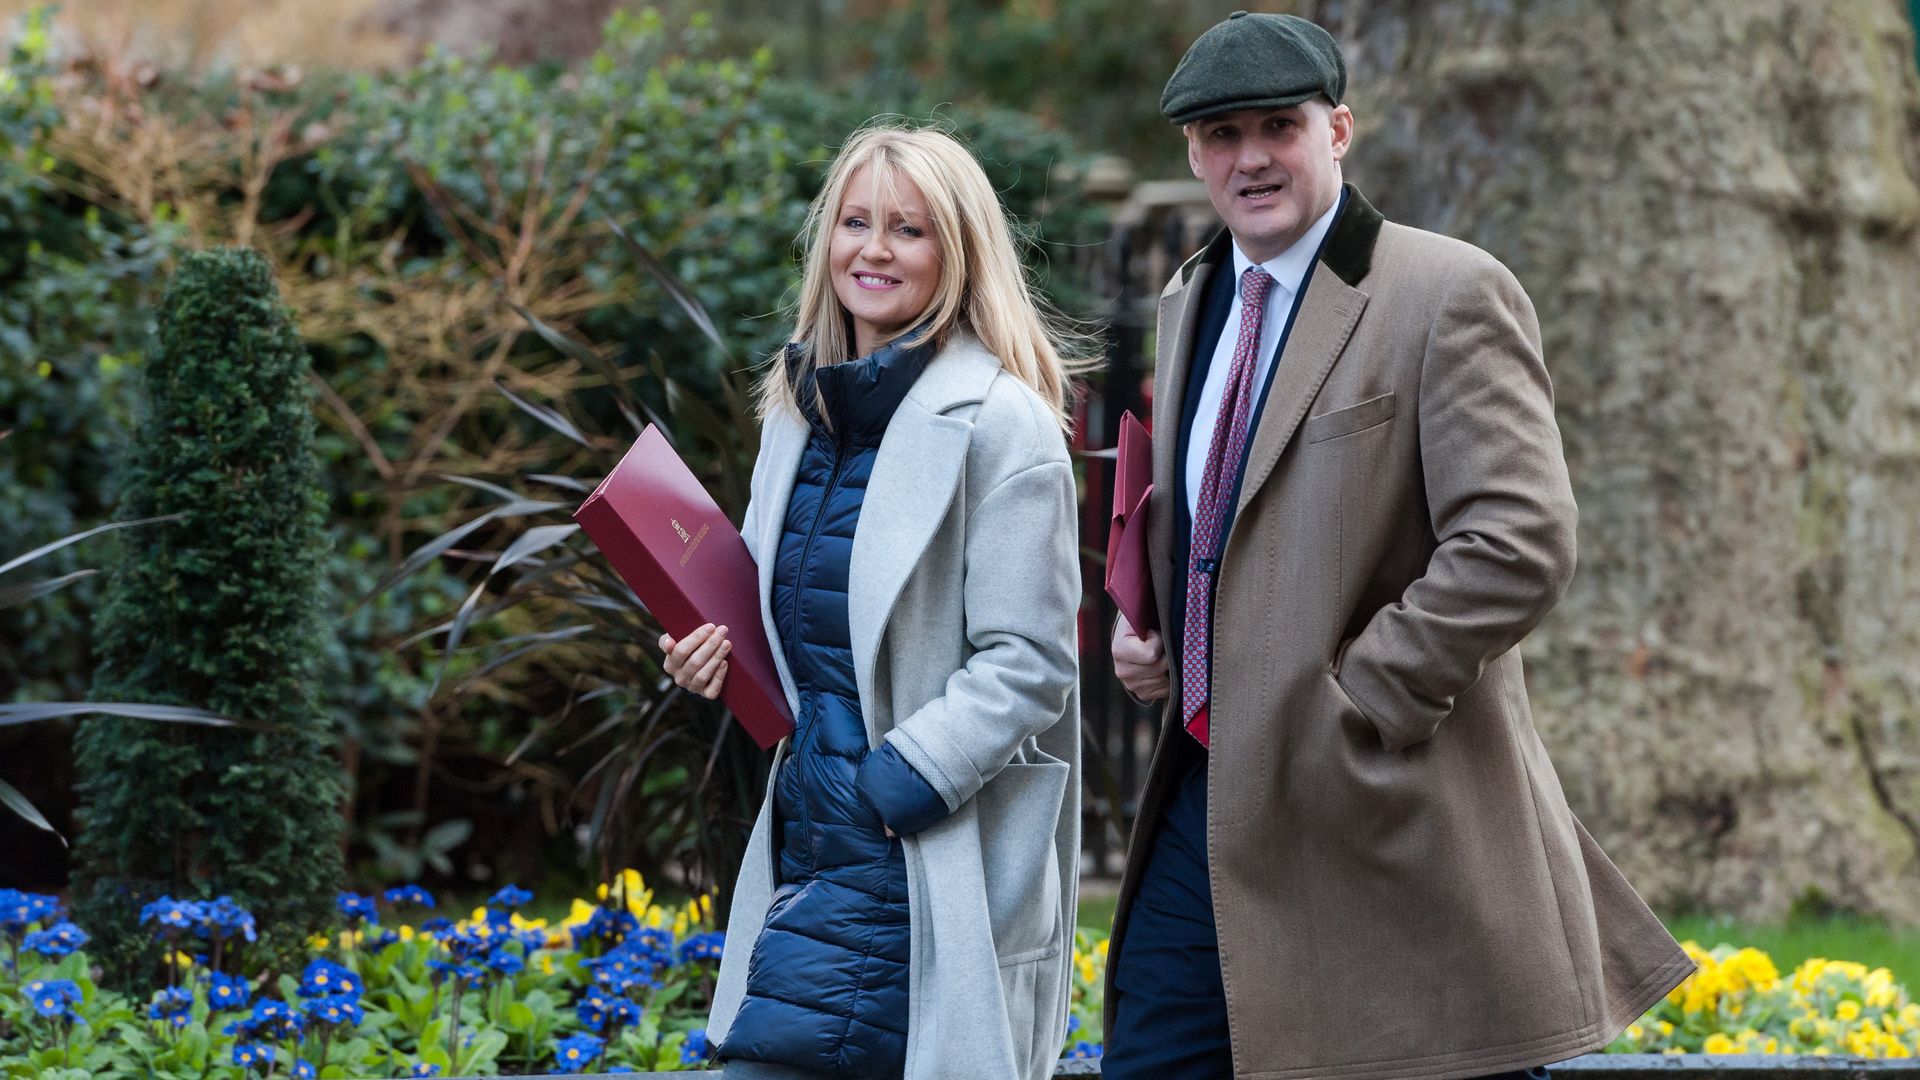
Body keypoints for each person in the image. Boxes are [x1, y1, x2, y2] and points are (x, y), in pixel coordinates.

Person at [1104, 12, 1694, 1080]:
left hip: (1378, 799)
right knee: (1152, 1058)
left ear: (1338, 130)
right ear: (1193, 153)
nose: (1250, 158)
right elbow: (1227, 513)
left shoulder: (1447, 290)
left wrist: (1365, 700)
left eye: (1277, 126)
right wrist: (1157, 636)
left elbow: (1519, 537)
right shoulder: (1191, 297)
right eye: (1221, 134)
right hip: (1207, 787)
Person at [662, 122, 1084, 1080]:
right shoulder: (795, 416)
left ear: (958, 253)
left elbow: (1031, 661)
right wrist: (713, 661)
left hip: (923, 860)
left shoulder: (1003, 422)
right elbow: (791, 629)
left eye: (910, 229)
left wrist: (892, 786)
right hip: (805, 852)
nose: (876, 249)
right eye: (856, 222)